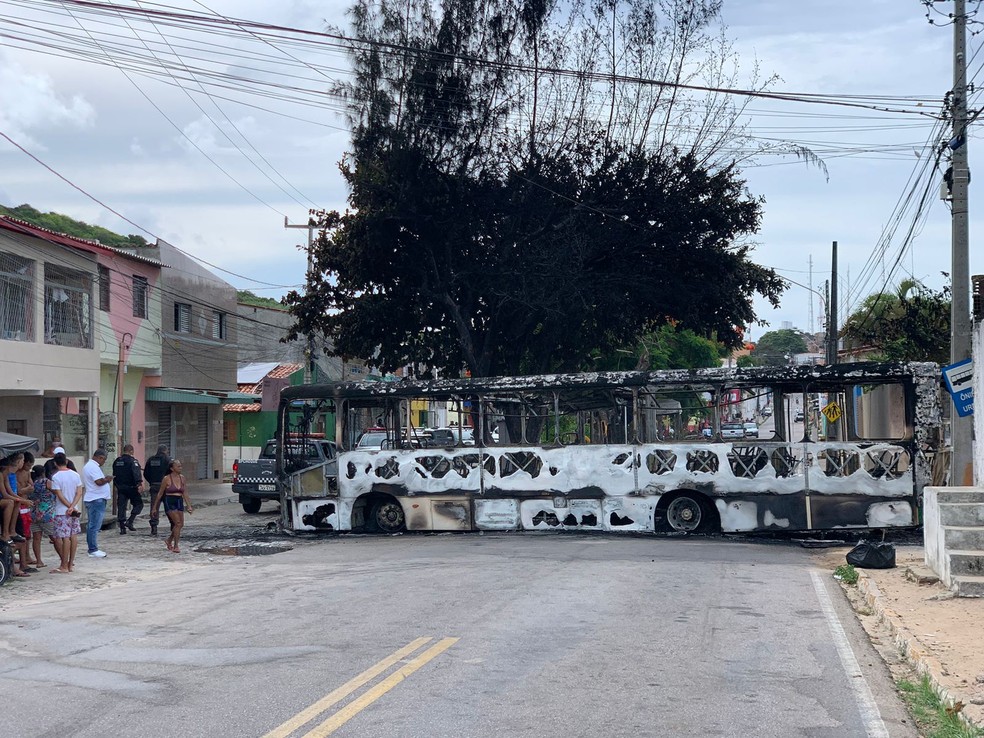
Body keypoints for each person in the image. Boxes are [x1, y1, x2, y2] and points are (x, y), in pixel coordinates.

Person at [49, 452, 83, 573]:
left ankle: (64, 565)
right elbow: (79, 492)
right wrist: (73, 506)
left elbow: (59, 495)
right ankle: (70, 564)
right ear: (66, 461)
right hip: (75, 510)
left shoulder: (56, 477)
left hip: (62, 511)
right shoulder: (75, 475)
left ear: (55, 463)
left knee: (64, 538)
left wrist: (69, 506)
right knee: (73, 536)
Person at [152, 460, 193, 554]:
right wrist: (155, 507)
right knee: (177, 523)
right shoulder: (166, 479)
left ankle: (169, 540)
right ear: (172, 468)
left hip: (179, 501)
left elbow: (185, 492)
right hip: (169, 501)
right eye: (178, 466)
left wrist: (189, 506)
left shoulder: (182, 478)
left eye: (181, 466)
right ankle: (176, 546)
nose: (180, 468)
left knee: (181, 524)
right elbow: (160, 494)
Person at [81, 449, 113, 558]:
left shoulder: (92, 466)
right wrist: (107, 479)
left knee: (93, 525)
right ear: (100, 457)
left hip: (96, 498)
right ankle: (93, 549)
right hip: (96, 499)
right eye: (104, 459)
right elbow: (98, 482)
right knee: (94, 525)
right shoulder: (92, 467)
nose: (104, 462)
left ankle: (93, 548)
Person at [112, 444, 144, 534]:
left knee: (121, 507)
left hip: (121, 487)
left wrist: (116, 485)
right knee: (139, 504)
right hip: (131, 488)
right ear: (131, 451)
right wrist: (139, 484)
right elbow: (136, 473)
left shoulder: (117, 461)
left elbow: (114, 474)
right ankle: (130, 521)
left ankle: (122, 528)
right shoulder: (132, 461)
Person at [29, 464, 54, 569]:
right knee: (54, 537)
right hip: (47, 513)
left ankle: (39, 561)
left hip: (34, 513)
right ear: (43, 472)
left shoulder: (31, 484)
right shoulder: (47, 482)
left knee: (36, 538)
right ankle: (64, 559)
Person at [144, 445, 170, 537]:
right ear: (165, 451)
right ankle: (173, 526)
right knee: (169, 507)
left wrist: (151, 482)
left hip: (154, 486)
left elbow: (146, 473)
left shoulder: (151, 460)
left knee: (154, 507)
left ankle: (154, 528)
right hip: (166, 487)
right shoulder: (168, 459)